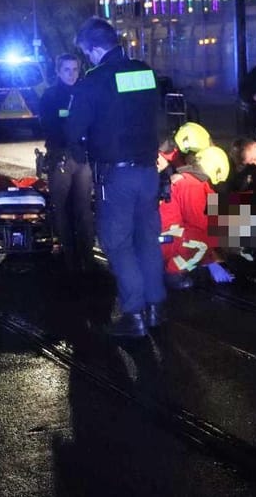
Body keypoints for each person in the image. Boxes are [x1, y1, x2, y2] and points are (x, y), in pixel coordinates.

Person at [66, 18, 164, 338]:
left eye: (86, 54)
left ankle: (133, 313)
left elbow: (74, 130)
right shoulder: (143, 71)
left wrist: (80, 154)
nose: (87, 60)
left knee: (117, 242)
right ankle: (154, 307)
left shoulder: (92, 81)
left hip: (115, 177)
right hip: (149, 171)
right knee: (147, 239)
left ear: (94, 48)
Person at [38, 53, 94, 273]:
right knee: (60, 207)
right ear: (58, 71)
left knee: (82, 208)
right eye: (67, 70)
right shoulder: (51, 96)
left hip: (81, 158)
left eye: (75, 70)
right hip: (61, 156)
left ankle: (86, 256)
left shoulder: (84, 94)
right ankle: (69, 255)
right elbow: (49, 125)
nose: (72, 74)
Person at [160, 145, 234, 290]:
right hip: (165, 241)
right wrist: (211, 263)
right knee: (201, 238)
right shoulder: (192, 185)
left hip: (164, 238)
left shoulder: (190, 180)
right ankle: (174, 273)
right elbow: (199, 227)